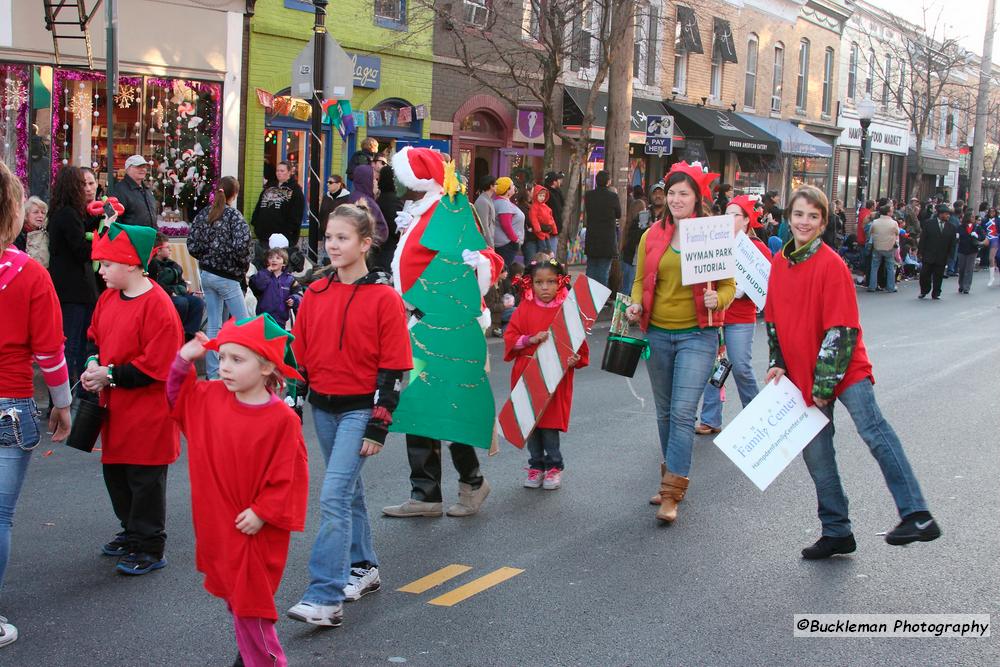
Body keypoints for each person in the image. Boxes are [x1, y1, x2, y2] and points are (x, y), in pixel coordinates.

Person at [764, 185, 941, 559]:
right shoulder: (779, 263)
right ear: (788, 218)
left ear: (823, 221)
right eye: (799, 214)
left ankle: (916, 513)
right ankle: (837, 531)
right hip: (802, 375)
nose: (804, 222)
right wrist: (776, 361)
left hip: (842, 370)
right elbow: (774, 321)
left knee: (873, 431)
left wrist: (824, 384)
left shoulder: (831, 264)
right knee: (817, 454)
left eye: (813, 216)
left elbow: (843, 330)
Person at [285, 204, 411, 627]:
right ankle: (364, 566)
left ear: (364, 243)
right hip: (323, 407)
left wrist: (379, 423)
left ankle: (325, 596)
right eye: (329, 239)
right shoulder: (315, 294)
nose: (334, 246)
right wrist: (294, 403)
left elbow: (394, 368)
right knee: (349, 489)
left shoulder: (384, 298)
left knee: (333, 495)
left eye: (343, 238)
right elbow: (299, 358)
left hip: (361, 409)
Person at [169, 317, 308, 667]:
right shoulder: (211, 396)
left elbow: (288, 475)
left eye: (237, 360)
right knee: (236, 596)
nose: (225, 368)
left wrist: (263, 511)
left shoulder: (282, 419)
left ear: (265, 367)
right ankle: (249, 658)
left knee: (251, 601)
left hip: (254, 526)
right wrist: (184, 360)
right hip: (219, 520)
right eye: (223, 358)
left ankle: (266, 661)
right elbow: (177, 398)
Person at [625, 162, 735, 523]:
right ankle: (669, 475)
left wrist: (716, 300)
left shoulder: (712, 235)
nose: (675, 199)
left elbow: (728, 287)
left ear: (697, 198)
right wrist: (636, 302)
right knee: (665, 412)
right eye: (671, 193)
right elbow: (640, 279)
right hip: (657, 332)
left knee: (684, 413)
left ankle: (673, 492)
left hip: (697, 334)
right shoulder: (651, 235)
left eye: (683, 193)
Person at [83, 222, 184, 575]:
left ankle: (150, 545)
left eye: (107, 264)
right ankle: (131, 532)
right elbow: (94, 339)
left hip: (149, 412)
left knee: (144, 482)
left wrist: (108, 374)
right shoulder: (109, 297)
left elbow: (155, 368)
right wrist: (92, 364)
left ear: (130, 263)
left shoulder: (159, 306)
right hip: (117, 409)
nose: (102, 271)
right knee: (117, 476)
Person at [0, 163, 72, 649]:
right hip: (10, 401)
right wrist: (63, 404)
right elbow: (49, 350)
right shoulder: (27, 272)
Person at [504, 258, 588, 490]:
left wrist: (574, 360)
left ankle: (554, 466)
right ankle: (536, 465)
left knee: (549, 425)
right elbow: (510, 337)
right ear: (530, 284)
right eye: (539, 282)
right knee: (530, 423)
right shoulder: (524, 308)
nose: (544, 287)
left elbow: (579, 348)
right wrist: (530, 339)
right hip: (526, 371)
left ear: (560, 282)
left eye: (551, 281)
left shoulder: (567, 311)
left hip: (554, 377)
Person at [694, 195, 768, 435]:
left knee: (741, 368)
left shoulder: (758, 249)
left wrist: (733, 290)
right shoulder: (716, 244)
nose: (728, 219)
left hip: (740, 317)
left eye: (735, 214)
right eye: (726, 213)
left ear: (747, 220)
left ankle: (756, 419)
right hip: (715, 315)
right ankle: (710, 418)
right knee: (713, 367)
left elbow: (761, 284)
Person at [188, 177, 254, 379]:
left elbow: (192, 244)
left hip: (207, 274)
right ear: (235, 194)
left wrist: (207, 259)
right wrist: (240, 268)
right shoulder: (234, 216)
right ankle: (248, 371)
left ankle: (214, 373)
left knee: (214, 325)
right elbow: (242, 247)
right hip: (226, 276)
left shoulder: (203, 215)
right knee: (244, 324)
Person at [47, 165, 99, 390]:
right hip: (73, 290)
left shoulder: (64, 212)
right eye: (82, 185)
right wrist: (100, 237)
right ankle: (69, 392)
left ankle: (74, 390)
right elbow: (82, 250)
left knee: (76, 343)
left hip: (74, 288)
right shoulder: (68, 214)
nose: (86, 189)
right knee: (72, 344)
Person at [148, 232, 206, 341]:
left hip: (178, 294)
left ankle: (189, 335)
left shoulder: (172, 264)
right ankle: (175, 333)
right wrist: (171, 292)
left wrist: (186, 290)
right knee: (181, 302)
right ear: (158, 250)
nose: (170, 249)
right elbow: (155, 283)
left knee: (197, 302)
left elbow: (181, 281)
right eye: (168, 247)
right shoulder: (152, 266)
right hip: (163, 296)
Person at [250, 161, 305, 251]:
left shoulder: (295, 190)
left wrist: (288, 233)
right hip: (264, 236)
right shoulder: (269, 187)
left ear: (289, 172)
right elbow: (259, 206)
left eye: (282, 171)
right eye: (277, 170)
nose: (279, 173)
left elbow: (297, 215)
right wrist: (256, 223)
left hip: (282, 239)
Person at [621, 181, 663, 296]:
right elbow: (632, 235)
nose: (658, 196)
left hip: (660, 263)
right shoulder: (642, 215)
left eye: (661, 193)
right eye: (655, 193)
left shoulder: (669, 218)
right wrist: (648, 230)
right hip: (637, 261)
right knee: (630, 293)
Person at [584, 170, 622, 288]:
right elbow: (618, 214)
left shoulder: (589, 195)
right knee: (603, 271)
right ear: (608, 182)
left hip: (592, 238)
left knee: (591, 269)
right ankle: (599, 301)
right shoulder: (613, 196)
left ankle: (586, 297)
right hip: (607, 239)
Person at [249, 247, 302, 328]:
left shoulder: (290, 279)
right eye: (271, 258)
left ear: (284, 263)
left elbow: (299, 294)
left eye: (278, 258)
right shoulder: (262, 275)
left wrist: (294, 299)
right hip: (263, 318)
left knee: (279, 339)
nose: (274, 260)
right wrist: (267, 272)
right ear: (267, 262)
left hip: (281, 320)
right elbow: (258, 285)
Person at [918, 204, 957, 300]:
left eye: (949, 214)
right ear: (940, 214)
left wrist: (951, 256)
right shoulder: (929, 224)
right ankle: (924, 290)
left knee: (938, 276)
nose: (948, 216)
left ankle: (936, 293)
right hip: (928, 254)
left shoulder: (951, 227)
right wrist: (920, 252)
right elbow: (923, 239)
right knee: (924, 274)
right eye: (946, 214)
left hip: (942, 255)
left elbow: (952, 243)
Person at [346, 163, 388, 246]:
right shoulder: (366, 201)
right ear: (367, 181)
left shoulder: (355, 195)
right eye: (374, 179)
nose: (376, 182)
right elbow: (381, 231)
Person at [113, 155, 157, 228]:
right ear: (128, 169)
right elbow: (114, 221)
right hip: (130, 238)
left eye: (144, 167)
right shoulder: (119, 190)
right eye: (138, 166)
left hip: (149, 237)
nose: (143, 169)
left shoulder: (146, 189)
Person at [492, 177, 524, 269]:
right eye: (512, 185)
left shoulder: (500, 202)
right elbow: (506, 225)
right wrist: (515, 239)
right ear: (507, 190)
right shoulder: (504, 204)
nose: (514, 187)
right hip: (506, 245)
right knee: (505, 270)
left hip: (505, 243)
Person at [868, 203, 900, 293]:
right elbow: (897, 232)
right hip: (889, 247)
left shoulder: (875, 222)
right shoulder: (894, 223)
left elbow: (871, 232)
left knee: (874, 267)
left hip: (877, 247)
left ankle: (872, 286)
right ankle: (890, 287)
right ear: (888, 213)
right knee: (890, 267)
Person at [13, 196, 49, 267]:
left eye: (43, 213)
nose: (40, 215)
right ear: (26, 215)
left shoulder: (46, 233)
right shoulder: (18, 234)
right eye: (36, 212)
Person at [525, 184, 557, 258]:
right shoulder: (534, 207)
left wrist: (554, 230)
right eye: (540, 195)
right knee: (543, 249)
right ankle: (542, 263)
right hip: (540, 232)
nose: (542, 198)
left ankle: (551, 263)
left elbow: (551, 219)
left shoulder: (546, 207)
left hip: (546, 232)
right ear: (536, 195)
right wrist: (537, 228)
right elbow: (534, 218)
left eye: (543, 196)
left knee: (550, 250)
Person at [956, 212, 982, 295]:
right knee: (962, 269)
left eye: (974, 217)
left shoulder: (977, 227)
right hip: (962, 250)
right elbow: (957, 236)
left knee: (969, 269)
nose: (973, 218)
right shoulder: (960, 227)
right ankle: (961, 285)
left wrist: (977, 235)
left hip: (972, 250)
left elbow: (983, 236)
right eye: (972, 217)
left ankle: (966, 287)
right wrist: (957, 236)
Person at [474, 176, 497, 249]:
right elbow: (484, 225)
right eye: (496, 184)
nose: (497, 186)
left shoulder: (487, 199)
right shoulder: (482, 201)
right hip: (484, 243)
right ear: (491, 186)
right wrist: (490, 244)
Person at [543, 171, 565, 239]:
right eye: (558, 180)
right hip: (550, 229)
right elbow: (557, 209)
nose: (560, 181)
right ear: (554, 182)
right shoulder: (547, 193)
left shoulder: (556, 191)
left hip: (555, 228)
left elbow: (562, 203)